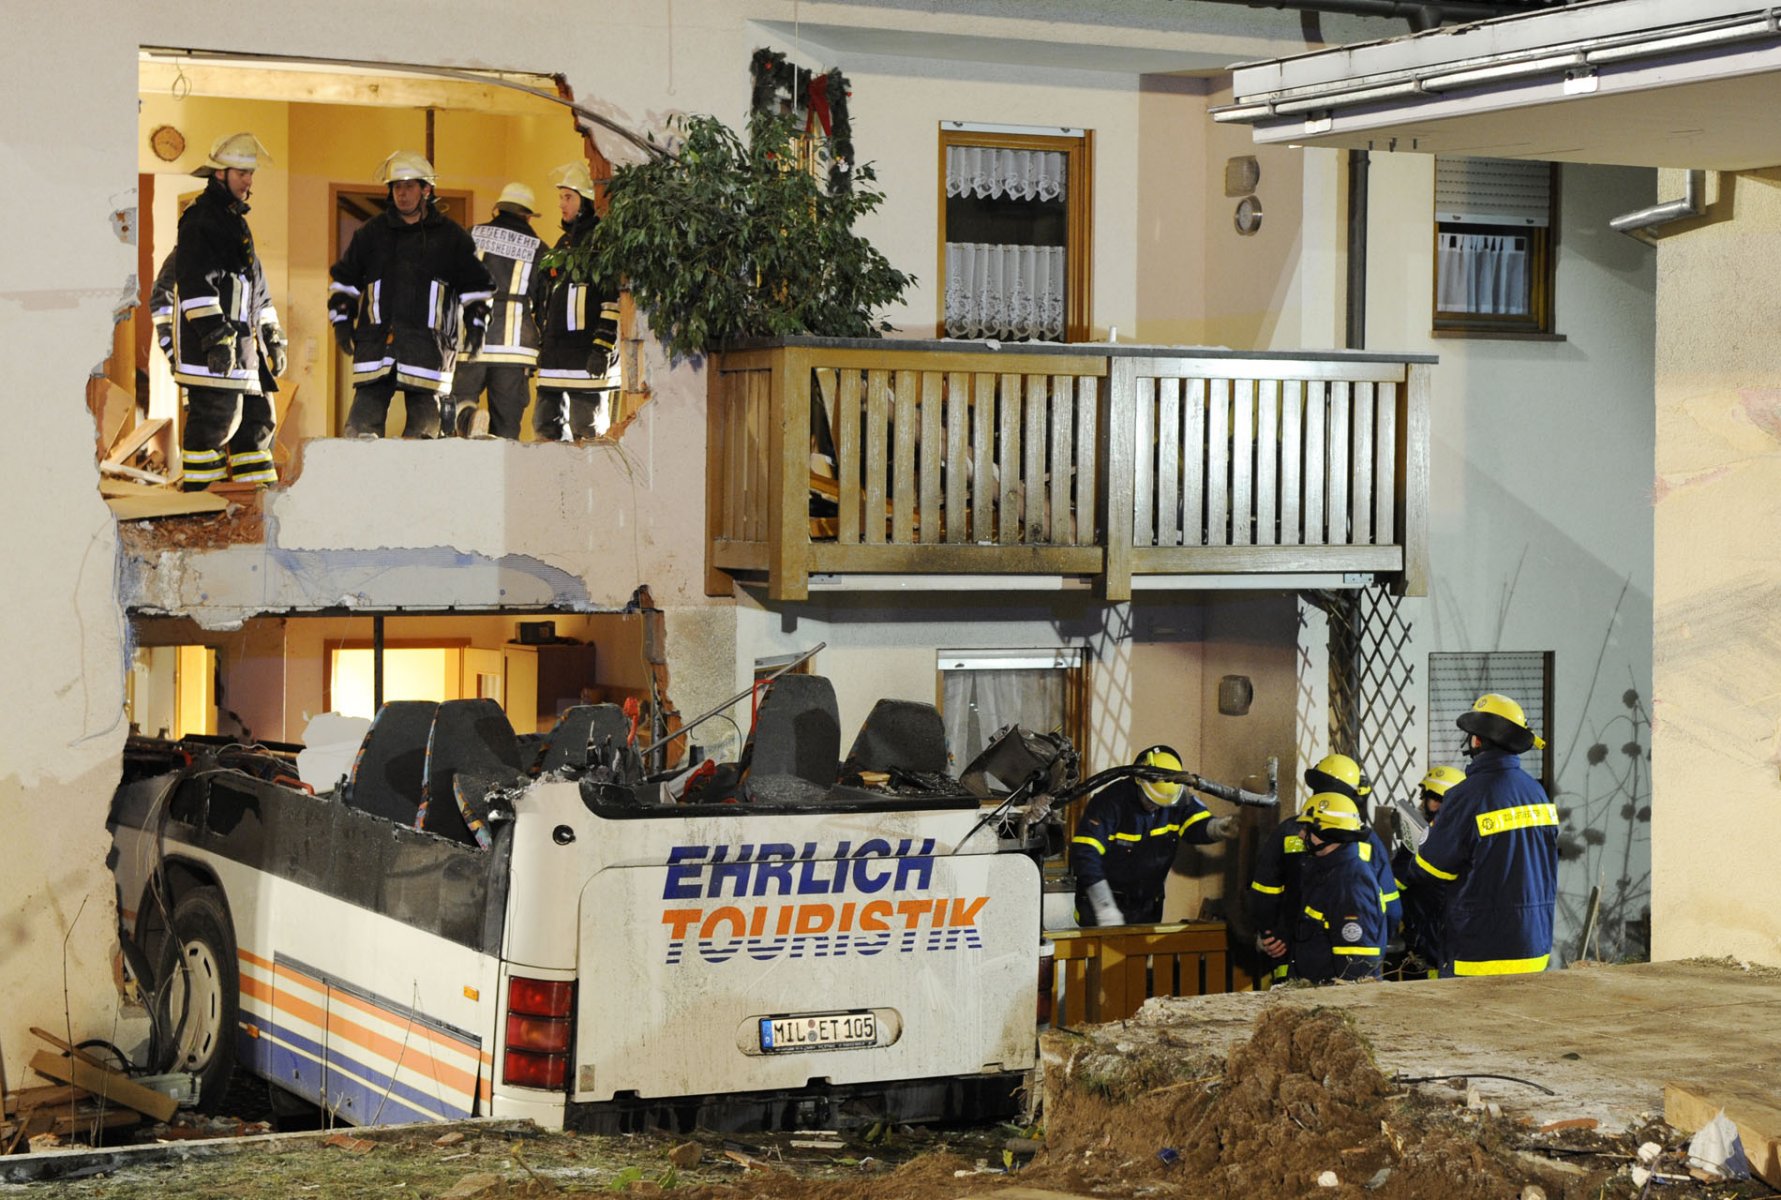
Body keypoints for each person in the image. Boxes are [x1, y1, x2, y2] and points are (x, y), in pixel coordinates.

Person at [329, 151, 494, 438]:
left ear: (426, 189)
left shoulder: (451, 237)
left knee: (424, 437)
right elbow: (345, 281)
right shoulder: (371, 234)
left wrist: (477, 327)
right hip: (376, 348)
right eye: (396, 187)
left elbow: (476, 288)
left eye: (408, 186)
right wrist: (341, 323)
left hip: (429, 351)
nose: (401, 194)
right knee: (359, 432)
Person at [1407, 694, 1559, 976]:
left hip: (1478, 953)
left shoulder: (1466, 795)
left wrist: (1427, 838)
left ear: (1477, 741)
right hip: (1533, 949)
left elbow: (1432, 870)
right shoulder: (1536, 792)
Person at [169, 133, 286, 489]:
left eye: (251, 173)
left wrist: (272, 335)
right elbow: (196, 284)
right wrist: (216, 338)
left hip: (245, 352)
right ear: (219, 173)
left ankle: (256, 504)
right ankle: (201, 503)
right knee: (216, 424)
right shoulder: (201, 220)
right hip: (213, 353)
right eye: (242, 173)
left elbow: (256, 288)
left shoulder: (234, 222)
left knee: (257, 423)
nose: (249, 181)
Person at [1250, 753, 1400, 976]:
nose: (1301, 835)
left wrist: (1269, 934)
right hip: (1320, 959)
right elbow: (1391, 908)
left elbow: (1264, 895)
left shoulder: (1287, 831)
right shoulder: (1366, 840)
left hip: (1296, 953)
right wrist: (1378, 940)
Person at [1070, 745, 1240, 927]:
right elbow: (1085, 852)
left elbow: (1195, 825)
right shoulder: (1110, 803)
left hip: (1147, 907)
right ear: (1139, 782)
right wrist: (1104, 905)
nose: (1155, 807)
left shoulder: (1175, 796)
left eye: (1162, 803)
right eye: (1150, 799)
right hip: (1102, 906)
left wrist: (1218, 828)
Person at [446, 182, 544, 438]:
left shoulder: (471, 235)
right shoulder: (539, 248)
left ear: (497, 209)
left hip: (472, 339)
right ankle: (501, 451)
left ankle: (469, 417)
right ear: (527, 216)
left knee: (459, 403)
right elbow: (543, 300)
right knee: (507, 423)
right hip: (515, 347)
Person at [531, 161, 619, 442]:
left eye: (568, 197)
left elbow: (612, 299)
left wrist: (602, 347)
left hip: (587, 355)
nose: (561, 204)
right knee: (544, 425)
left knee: (588, 429)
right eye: (561, 197)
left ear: (586, 201)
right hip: (555, 356)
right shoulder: (562, 245)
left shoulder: (602, 243)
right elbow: (549, 300)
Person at [1288, 792, 1387, 983]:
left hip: (1332, 996)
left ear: (1327, 833)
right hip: (1315, 992)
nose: (1301, 834)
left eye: (1307, 828)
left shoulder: (1351, 884)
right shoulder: (1325, 871)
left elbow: (1356, 968)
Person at [1391, 765, 1466, 977]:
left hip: (1429, 939)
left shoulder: (1429, 842)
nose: (1426, 803)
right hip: (1443, 934)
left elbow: (1397, 882)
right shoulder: (1462, 835)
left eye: (1431, 798)